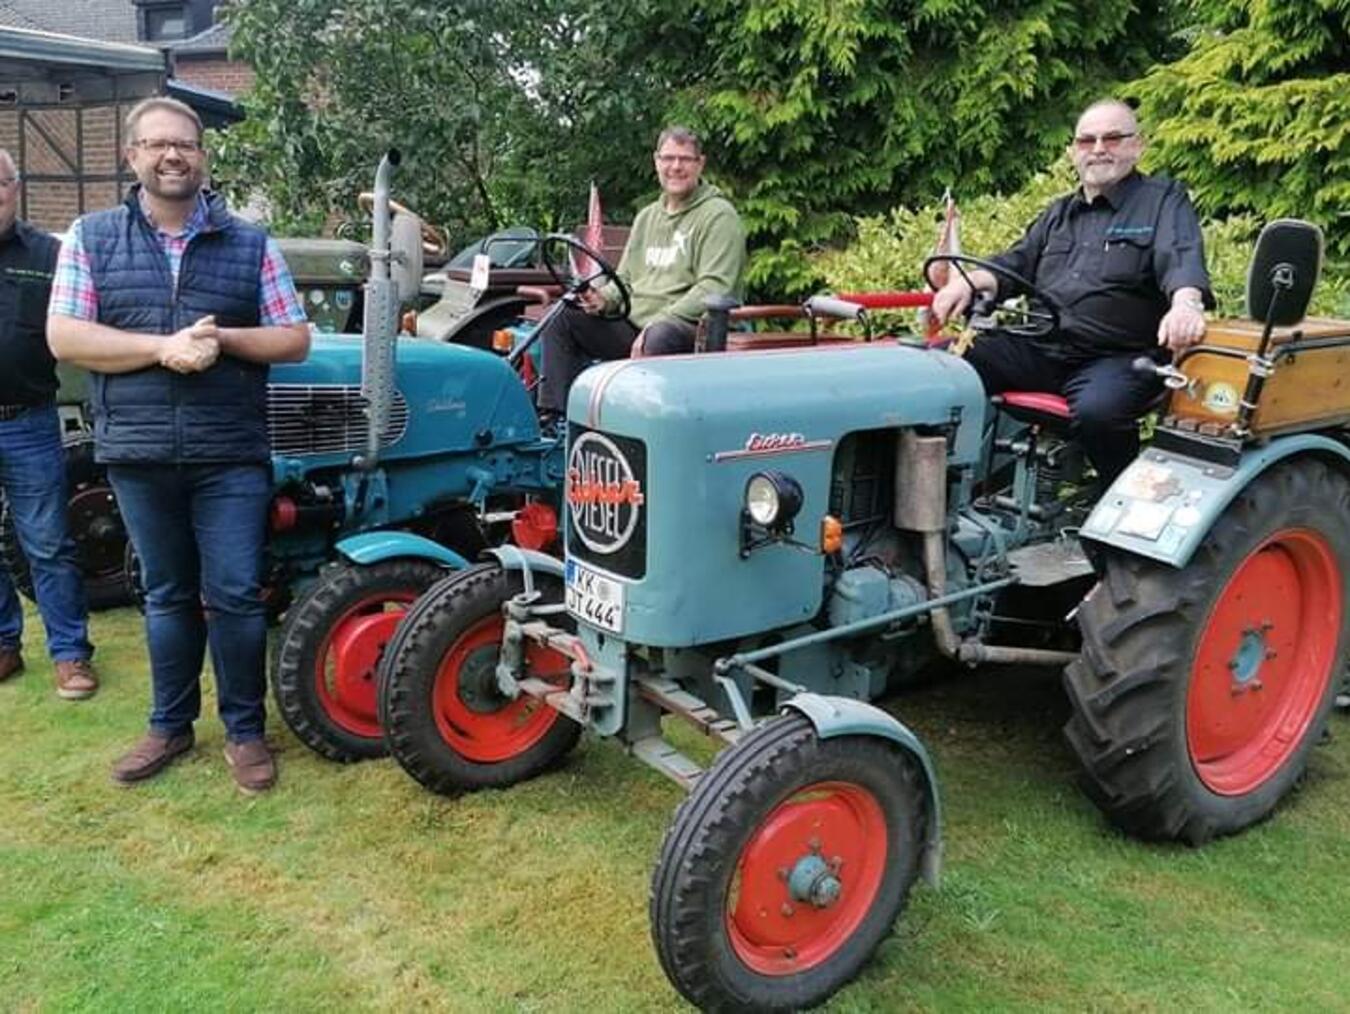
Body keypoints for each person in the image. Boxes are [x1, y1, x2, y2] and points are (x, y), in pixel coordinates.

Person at [48, 97, 310, 793]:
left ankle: (247, 733)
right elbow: (67, 337)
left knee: (234, 595)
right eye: (158, 144)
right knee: (164, 595)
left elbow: (294, 337)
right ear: (132, 155)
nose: (173, 156)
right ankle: (169, 725)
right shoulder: (92, 236)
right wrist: (164, 347)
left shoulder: (250, 242)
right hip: (138, 451)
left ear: (203, 156)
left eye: (186, 145)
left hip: (230, 453)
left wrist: (220, 338)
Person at [931, 99, 1213, 485]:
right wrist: (969, 280)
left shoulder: (1163, 201)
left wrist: (1186, 304)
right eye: (1087, 140)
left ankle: (1122, 504)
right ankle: (945, 493)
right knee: (939, 369)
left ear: (1137, 146)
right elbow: (1015, 263)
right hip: (1042, 349)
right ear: (1073, 152)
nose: (1098, 148)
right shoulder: (1058, 213)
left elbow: (1180, 256)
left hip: (1118, 358)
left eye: (1112, 138)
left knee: (1100, 412)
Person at [537, 126, 747, 419]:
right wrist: (603, 299)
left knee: (659, 336)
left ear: (700, 164)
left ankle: (639, 429)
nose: (676, 167)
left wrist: (658, 322)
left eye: (685, 159)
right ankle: (557, 420)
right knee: (563, 318)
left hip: (690, 332)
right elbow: (625, 280)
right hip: (637, 328)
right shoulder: (647, 216)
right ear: (656, 162)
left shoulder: (718, 216)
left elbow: (715, 287)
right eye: (668, 158)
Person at [0, 150, 96, 700]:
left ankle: (70, 654)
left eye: (1, 182)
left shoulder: (49, 254)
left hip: (28, 420)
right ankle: (4, 643)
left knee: (48, 542)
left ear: (17, 187)